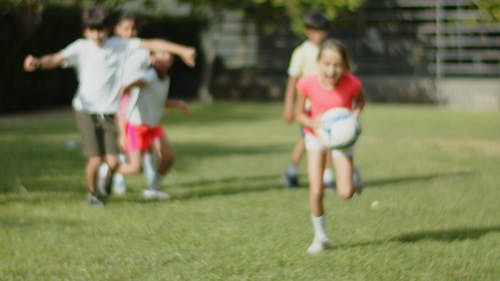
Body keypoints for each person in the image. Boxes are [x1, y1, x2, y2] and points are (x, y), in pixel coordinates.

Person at [23, 5, 196, 206]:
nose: (97, 35)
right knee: (96, 159)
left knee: (113, 161)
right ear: (85, 30)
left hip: (110, 112)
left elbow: (153, 43)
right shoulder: (81, 47)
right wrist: (37, 62)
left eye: (101, 30)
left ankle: (105, 184)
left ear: (108, 29)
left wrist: (183, 50)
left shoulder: (119, 45)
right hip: (86, 110)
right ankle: (92, 193)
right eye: (92, 30)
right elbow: (55, 58)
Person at [294, 39, 366, 254]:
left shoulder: (352, 83)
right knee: (316, 191)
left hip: (341, 139)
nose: (331, 70)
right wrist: (313, 123)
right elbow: (299, 114)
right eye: (326, 64)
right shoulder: (306, 84)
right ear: (318, 63)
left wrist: (353, 117)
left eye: (337, 65)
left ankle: (353, 176)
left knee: (345, 193)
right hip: (315, 137)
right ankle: (320, 237)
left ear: (345, 67)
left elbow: (360, 101)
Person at [115, 50, 190, 200]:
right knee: (135, 168)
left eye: (168, 55)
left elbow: (160, 102)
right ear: (152, 59)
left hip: (154, 126)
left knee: (168, 158)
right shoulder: (150, 75)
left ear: (171, 61)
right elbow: (141, 82)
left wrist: (178, 104)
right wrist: (125, 87)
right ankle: (108, 170)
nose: (165, 56)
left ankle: (152, 189)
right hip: (136, 126)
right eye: (161, 54)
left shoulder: (165, 78)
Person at [282, 12, 335, 188]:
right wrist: (289, 106)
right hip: (306, 107)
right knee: (308, 140)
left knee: (326, 140)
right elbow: (292, 81)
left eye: (322, 31)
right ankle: (292, 171)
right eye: (315, 31)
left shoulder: (329, 51)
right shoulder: (301, 52)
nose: (319, 34)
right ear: (307, 31)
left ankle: (327, 176)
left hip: (326, 105)